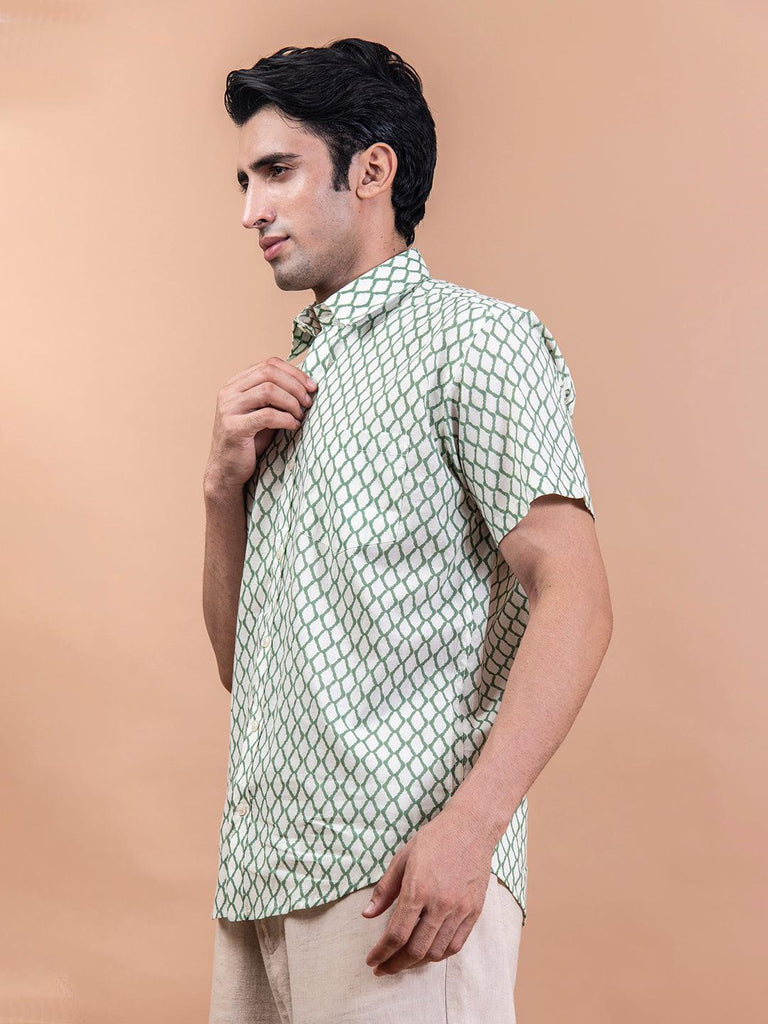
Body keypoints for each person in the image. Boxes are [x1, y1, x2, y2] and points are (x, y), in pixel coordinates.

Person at [203, 36, 612, 1024]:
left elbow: (578, 595)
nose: (251, 209)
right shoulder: (290, 389)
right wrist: (221, 491)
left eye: (278, 171)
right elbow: (241, 665)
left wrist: (472, 829)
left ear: (373, 169)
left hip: (400, 883)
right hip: (260, 883)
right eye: (246, 181)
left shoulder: (476, 340)